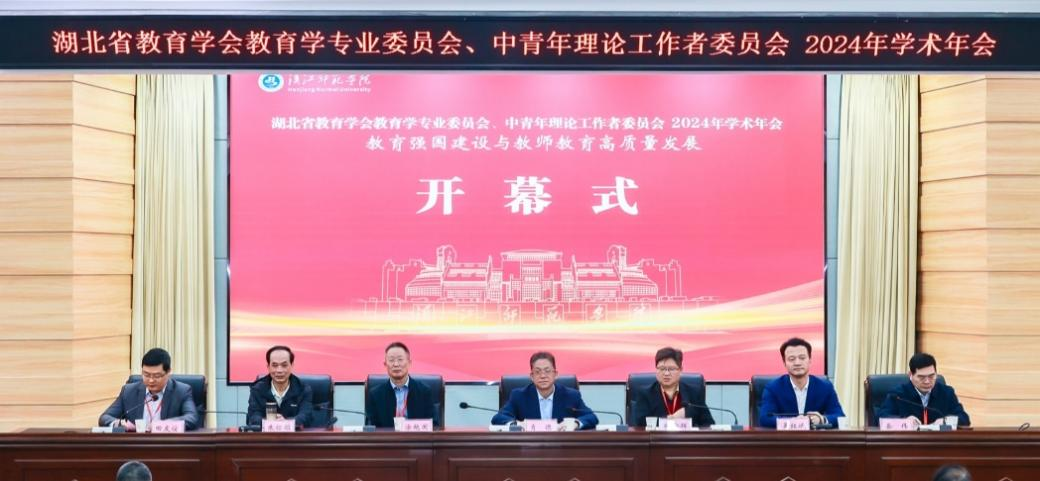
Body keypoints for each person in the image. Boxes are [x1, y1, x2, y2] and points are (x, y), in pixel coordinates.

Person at [492, 351, 598, 430]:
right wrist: (515, 424)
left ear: (555, 374)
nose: (543, 376)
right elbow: (498, 418)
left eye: (547, 371)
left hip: (562, 447)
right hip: (529, 447)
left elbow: (591, 417)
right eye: (538, 372)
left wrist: (576, 423)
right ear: (532, 376)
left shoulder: (571, 396)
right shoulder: (519, 396)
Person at [99, 347, 200, 431]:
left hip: (167, 445)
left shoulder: (181, 391)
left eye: (157, 376)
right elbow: (105, 418)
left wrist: (160, 425)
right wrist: (119, 423)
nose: (151, 380)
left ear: (168, 372)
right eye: (146, 375)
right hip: (136, 445)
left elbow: (191, 418)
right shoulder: (128, 391)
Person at [758, 337, 845, 428]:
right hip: (785, 437)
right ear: (784, 363)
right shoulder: (773, 388)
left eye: (802, 358)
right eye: (792, 359)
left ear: (810, 360)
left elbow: (839, 416)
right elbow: (765, 418)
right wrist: (794, 422)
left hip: (815, 437)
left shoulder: (825, 387)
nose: (797, 363)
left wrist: (821, 419)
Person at [876, 353, 970, 427]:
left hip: (939, 443)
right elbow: (880, 418)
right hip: (908, 443)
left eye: (931, 376)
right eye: (921, 377)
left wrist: (945, 421)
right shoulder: (898, 395)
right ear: (910, 375)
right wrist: (905, 421)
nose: (927, 381)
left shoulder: (946, 393)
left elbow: (964, 418)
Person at [631, 347, 714, 427]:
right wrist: (672, 419)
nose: (666, 373)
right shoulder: (645, 394)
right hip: (657, 437)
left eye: (671, 369)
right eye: (662, 369)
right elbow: (640, 425)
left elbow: (709, 425)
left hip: (686, 437)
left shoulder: (694, 394)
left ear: (680, 370)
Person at [365, 341, 437, 427]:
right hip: (387, 436)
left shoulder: (424, 392)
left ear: (409, 363)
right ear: (385, 364)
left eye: (400, 359)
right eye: (391, 360)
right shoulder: (375, 394)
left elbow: (434, 425)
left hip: (416, 435)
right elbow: (371, 428)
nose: (396, 364)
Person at [247, 345, 315, 428]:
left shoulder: (303, 389)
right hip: (266, 435)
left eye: (284, 365)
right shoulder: (258, 389)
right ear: (268, 367)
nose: (279, 370)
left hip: (294, 435)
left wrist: (286, 423)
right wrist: (270, 422)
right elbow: (253, 417)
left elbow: (306, 416)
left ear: (292, 365)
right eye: (275, 365)